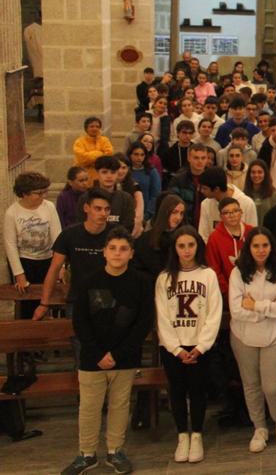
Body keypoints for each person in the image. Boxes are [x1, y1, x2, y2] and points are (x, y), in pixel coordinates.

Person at [61, 228, 153, 475]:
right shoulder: (88, 281)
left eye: (123, 249)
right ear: (104, 252)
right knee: (89, 407)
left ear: (131, 254)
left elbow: (143, 322)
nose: (117, 253)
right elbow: (80, 322)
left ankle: (115, 450)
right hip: (92, 357)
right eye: (112, 248)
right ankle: (86, 454)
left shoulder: (141, 282)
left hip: (125, 357)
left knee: (120, 405)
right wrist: (98, 352)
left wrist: (119, 354)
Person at [156, 226, 223, 463]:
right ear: (174, 249)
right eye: (181, 246)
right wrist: (175, 349)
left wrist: (202, 346)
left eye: (191, 245)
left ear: (198, 247)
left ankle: (197, 435)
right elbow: (162, 317)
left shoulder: (208, 275)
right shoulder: (164, 277)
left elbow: (215, 313)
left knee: (197, 391)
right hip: (173, 347)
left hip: (198, 345)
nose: (186, 250)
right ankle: (181, 435)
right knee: (176, 391)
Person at [34, 190, 113, 321]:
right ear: (86, 208)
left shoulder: (115, 233)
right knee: (77, 339)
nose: (103, 213)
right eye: (98, 209)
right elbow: (54, 269)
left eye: (107, 209)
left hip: (108, 296)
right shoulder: (69, 235)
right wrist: (44, 303)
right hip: (78, 297)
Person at [4, 172, 61, 317]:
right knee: (27, 304)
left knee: (48, 298)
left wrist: (59, 266)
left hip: (47, 259)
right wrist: (19, 274)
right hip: (25, 261)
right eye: (39, 193)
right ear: (24, 194)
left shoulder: (49, 206)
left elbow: (57, 237)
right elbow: (10, 244)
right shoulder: (12, 213)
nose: (43, 196)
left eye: (45, 192)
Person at [205, 197, 252, 300]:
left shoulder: (251, 232)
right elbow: (214, 270)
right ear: (220, 216)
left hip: (253, 292)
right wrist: (229, 293)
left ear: (241, 212)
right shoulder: (214, 238)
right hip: (227, 294)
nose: (232, 215)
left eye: (235, 211)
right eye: (226, 213)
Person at [196, 167, 257, 241]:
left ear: (216, 189)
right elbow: (203, 236)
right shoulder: (205, 204)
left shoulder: (247, 203)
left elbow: (253, 236)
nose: (200, 191)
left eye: (204, 188)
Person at [133, 194, 184, 278]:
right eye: (174, 212)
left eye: (181, 213)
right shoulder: (146, 239)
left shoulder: (183, 238)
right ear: (165, 212)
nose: (178, 217)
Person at [167, 144, 212, 227]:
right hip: (184, 224)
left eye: (203, 158)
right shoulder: (178, 179)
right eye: (196, 158)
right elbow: (172, 204)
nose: (200, 161)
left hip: (208, 224)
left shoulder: (213, 178)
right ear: (189, 158)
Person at [127, 142, 162, 221]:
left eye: (142, 155)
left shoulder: (151, 171)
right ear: (130, 155)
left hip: (146, 214)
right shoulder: (125, 171)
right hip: (127, 213)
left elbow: (155, 195)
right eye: (136, 154)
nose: (139, 158)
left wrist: (147, 214)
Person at [244, 160, 276, 224]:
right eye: (253, 172)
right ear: (249, 175)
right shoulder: (244, 194)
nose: (256, 175)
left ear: (265, 174)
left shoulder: (274, 194)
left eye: (260, 172)